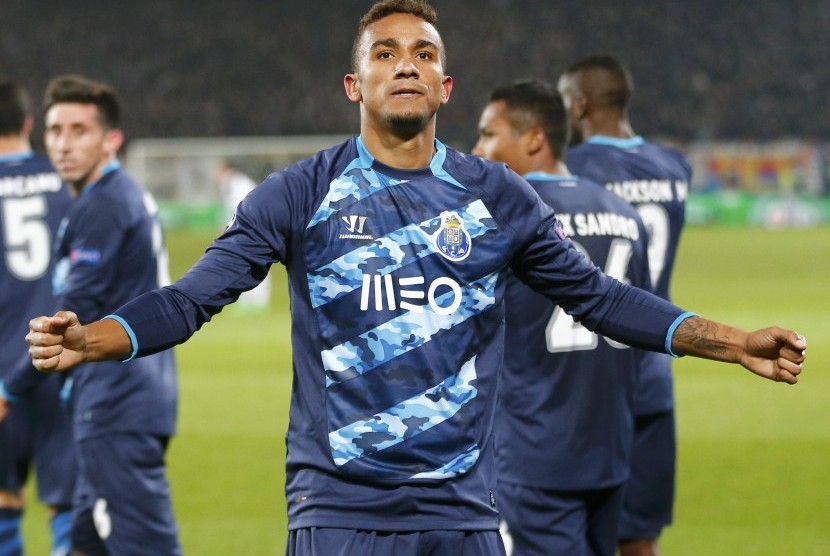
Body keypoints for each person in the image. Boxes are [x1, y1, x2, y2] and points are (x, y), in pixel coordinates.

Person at [25, 3, 805, 556]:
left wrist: (732, 342)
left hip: (465, 510)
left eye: (425, 53)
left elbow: (599, 298)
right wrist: (95, 338)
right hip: (339, 507)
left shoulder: (498, 196)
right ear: (354, 85)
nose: (407, 63)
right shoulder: (301, 192)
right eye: (386, 52)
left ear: (446, 88)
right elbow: (193, 298)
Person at [472, 79, 654, 556]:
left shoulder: (499, 218)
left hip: (533, 456)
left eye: (489, 134)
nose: (477, 149)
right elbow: (637, 324)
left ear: (535, 138)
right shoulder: (624, 215)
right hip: (610, 452)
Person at [39, 74, 180, 555]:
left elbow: (66, 317)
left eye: (79, 130)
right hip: (128, 396)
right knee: (84, 545)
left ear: (110, 139)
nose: (63, 144)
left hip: (116, 401)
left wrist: (9, 387)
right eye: (55, 130)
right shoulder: (119, 195)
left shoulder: (103, 204)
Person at [558, 54, 691, 556]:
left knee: (568, 530)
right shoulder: (675, 165)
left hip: (587, 370)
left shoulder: (574, 166)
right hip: (655, 363)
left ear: (580, 104)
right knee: (639, 540)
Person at [0, 80, 75, 556]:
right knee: (67, 506)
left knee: (3, 504)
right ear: (29, 124)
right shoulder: (69, 180)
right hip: (62, 365)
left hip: (0, 378)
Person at [216, 159, 272, 312]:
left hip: (254, 226)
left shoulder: (237, 184)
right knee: (246, 263)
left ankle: (259, 302)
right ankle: (248, 303)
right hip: (250, 226)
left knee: (256, 262)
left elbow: (239, 208)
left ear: (226, 170)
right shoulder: (232, 183)